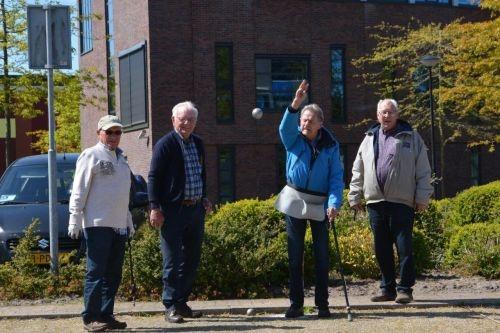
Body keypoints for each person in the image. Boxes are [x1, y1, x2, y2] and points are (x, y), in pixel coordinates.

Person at [348, 99, 433, 304]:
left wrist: (422, 196)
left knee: (404, 247)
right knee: (381, 248)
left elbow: (423, 169)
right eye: (382, 113)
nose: (386, 116)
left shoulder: (412, 137)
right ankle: (387, 289)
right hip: (375, 202)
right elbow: (358, 169)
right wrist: (354, 195)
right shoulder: (369, 138)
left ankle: (405, 289)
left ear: (397, 114)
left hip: (402, 202)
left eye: (390, 112)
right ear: (377, 115)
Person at [277, 80, 344, 318]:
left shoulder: (331, 145)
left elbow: (336, 178)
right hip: (295, 199)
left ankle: (322, 305)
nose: (305, 123)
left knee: (322, 256)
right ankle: (296, 304)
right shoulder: (293, 139)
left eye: (310, 120)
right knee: (295, 256)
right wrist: (295, 104)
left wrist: (335, 203)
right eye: (303, 119)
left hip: (320, 203)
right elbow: (284, 128)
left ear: (320, 123)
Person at [68, 115, 135, 332]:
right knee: (96, 272)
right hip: (97, 224)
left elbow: (123, 194)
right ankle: (91, 317)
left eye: (118, 132)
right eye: (109, 132)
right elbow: (79, 189)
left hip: (118, 225)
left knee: (113, 273)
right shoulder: (91, 155)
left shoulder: (122, 159)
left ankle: (106, 315)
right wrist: (74, 218)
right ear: (99, 133)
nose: (114, 136)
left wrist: (128, 220)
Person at [148, 101, 212, 324]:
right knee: (172, 260)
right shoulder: (165, 144)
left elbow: (200, 174)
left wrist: (204, 197)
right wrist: (154, 207)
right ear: (173, 119)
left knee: (192, 259)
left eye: (191, 119)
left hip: (195, 209)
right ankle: (170, 306)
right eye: (182, 119)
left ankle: (182, 303)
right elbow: (154, 176)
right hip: (172, 211)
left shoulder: (198, 143)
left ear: (196, 122)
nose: (186, 123)